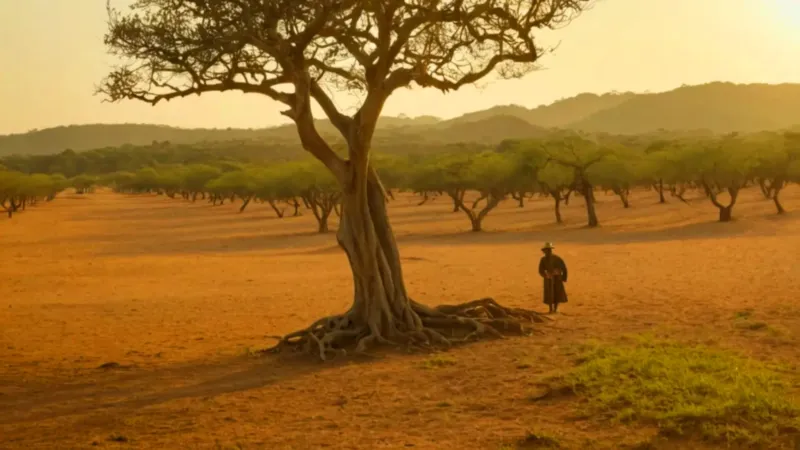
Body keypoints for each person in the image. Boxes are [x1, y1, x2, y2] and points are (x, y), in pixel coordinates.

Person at [538, 242, 568, 314]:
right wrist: (546, 275)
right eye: (546, 250)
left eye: (548, 250)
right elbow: (540, 270)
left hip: (557, 279)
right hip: (548, 279)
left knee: (557, 293)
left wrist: (563, 277)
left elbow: (564, 268)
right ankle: (550, 309)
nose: (547, 252)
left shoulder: (557, 258)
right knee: (549, 294)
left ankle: (555, 309)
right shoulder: (543, 259)